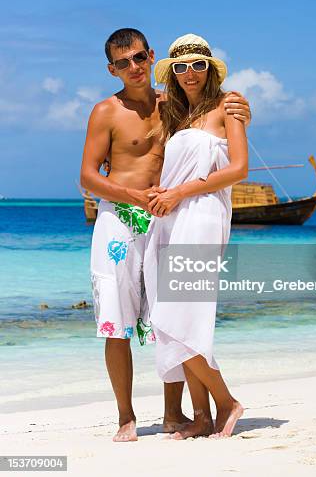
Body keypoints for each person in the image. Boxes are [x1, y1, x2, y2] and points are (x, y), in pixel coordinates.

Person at [80, 28, 251, 442]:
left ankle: (178, 413)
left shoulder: (172, 104)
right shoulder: (106, 111)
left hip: (168, 217)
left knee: (167, 315)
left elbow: (220, 132)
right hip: (122, 219)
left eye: (140, 58)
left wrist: (241, 109)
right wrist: (130, 195)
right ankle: (127, 416)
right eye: (124, 63)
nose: (134, 67)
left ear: (150, 56)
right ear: (112, 69)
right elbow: (86, 176)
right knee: (116, 321)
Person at [144, 34, 248, 439]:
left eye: (197, 65)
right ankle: (201, 415)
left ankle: (227, 403)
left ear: (210, 70)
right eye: (181, 67)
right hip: (171, 216)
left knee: (181, 315)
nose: (190, 73)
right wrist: (160, 193)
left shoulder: (229, 106)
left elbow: (238, 169)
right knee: (175, 319)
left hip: (202, 215)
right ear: (173, 72)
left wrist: (180, 192)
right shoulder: (176, 116)